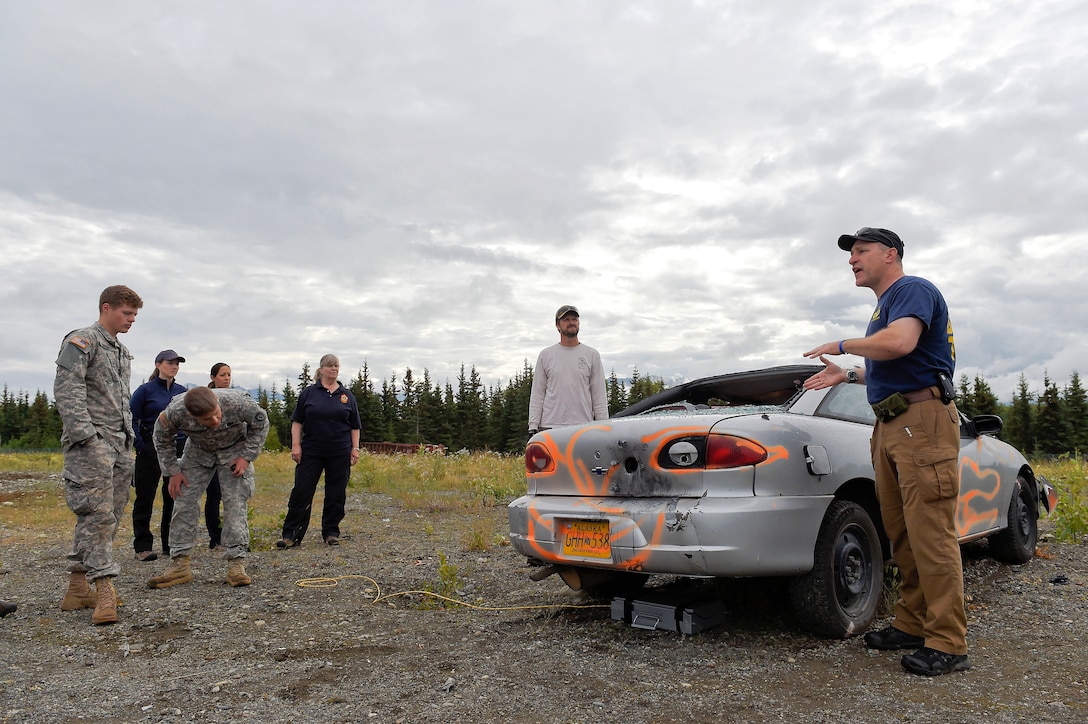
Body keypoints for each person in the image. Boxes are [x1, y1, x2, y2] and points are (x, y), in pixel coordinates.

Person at [803, 226, 967, 676]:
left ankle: (948, 642)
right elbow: (893, 359)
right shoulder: (886, 306)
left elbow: (900, 344)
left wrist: (840, 344)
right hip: (893, 424)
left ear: (890, 254)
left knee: (931, 535)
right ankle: (913, 623)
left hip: (923, 422)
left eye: (861, 250)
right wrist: (849, 375)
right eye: (850, 253)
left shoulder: (912, 289)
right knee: (903, 533)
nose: (852, 259)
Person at [53, 284, 144, 626]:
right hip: (91, 444)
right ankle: (104, 589)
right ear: (106, 308)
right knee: (98, 515)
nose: (131, 320)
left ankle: (77, 586)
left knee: (107, 517)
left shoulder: (121, 351)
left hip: (120, 444)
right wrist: (87, 438)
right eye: (126, 313)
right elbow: (67, 391)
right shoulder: (82, 341)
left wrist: (126, 440)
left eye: (135, 315)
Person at [147, 386, 269, 589]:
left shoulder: (238, 404)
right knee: (183, 500)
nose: (215, 422)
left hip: (234, 450)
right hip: (198, 451)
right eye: (206, 420)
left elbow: (261, 424)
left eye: (216, 415)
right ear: (192, 416)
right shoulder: (175, 412)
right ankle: (180, 564)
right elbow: (161, 438)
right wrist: (172, 472)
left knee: (234, 502)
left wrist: (246, 457)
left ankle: (236, 564)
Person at [277, 354, 361, 548]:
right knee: (302, 491)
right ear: (321, 369)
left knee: (336, 493)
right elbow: (297, 421)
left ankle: (331, 532)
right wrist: (296, 445)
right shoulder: (309, 393)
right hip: (311, 451)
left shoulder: (346, 395)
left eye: (337, 366)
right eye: (330, 366)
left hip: (339, 451)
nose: (334, 369)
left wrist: (355, 449)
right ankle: (291, 535)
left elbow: (355, 425)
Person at [130, 350, 187, 562]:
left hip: (177, 448)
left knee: (173, 495)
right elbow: (131, 417)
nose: (174, 366)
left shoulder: (182, 392)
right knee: (145, 496)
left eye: (177, 364)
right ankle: (143, 546)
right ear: (158, 364)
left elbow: (190, 417)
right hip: (150, 449)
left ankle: (170, 543)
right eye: (170, 363)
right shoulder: (145, 390)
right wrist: (139, 443)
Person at [528, 305, 609, 435]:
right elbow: (537, 394)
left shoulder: (592, 355)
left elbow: (599, 395)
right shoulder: (546, 355)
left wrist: (603, 425)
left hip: (583, 427)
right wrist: (533, 426)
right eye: (566, 320)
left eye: (574, 319)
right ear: (557, 325)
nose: (571, 322)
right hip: (550, 428)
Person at [202, 362, 231, 550]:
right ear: (213, 377)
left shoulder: (235, 397)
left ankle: (233, 538)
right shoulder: (205, 398)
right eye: (222, 375)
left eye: (229, 374)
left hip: (230, 453)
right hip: (209, 452)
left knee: (232, 497)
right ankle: (215, 538)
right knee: (214, 496)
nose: (227, 378)